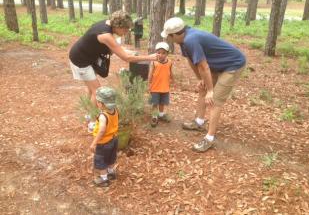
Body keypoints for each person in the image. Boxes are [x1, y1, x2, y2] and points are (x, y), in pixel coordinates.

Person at [161, 17, 246, 152]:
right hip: (217, 64)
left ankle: (209, 139)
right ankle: (199, 122)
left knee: (214, 100)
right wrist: (200, 79)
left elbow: (204, 66)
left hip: (232, 64)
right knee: (203, 89)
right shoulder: (184, 40)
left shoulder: (191, 40)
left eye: (169, 37)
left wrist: (211, 90)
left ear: (175, 34)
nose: (169, 39)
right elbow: (191, 60)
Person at [69, 10, 157, 107]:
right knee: (98, 92)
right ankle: (93, 119)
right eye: (125, 29)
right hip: (80, 61)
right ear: (118, 26)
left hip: (86, 56)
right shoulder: (106, 35)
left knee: (91, 88)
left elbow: (112, 48)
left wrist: (126, 51)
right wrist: (150, 57)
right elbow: (126, 58)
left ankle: (88, 112)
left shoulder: (106, 23)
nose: (126, 32)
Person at [90, 86, 119, 187]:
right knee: (111, 157)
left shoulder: (103, 116)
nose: (97, 104)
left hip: (103, 143)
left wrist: (94, 143)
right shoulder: (115, 110)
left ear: (102, 104)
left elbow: (102, 130)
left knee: (101, 160)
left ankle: (104, 179)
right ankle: (111, 172)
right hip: (114, 139)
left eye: (98, 102)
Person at [148, 42, 174, 127]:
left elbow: (170, 72)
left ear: (167, 54)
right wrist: (148, 83)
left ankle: (161, 114)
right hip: (155, 87)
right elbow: (150, 74)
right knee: (155, 103)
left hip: (165, 87)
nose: (161, 55)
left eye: (163, 53)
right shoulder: (154, 62)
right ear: (156, 53)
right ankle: (154, 116)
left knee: (162, 102)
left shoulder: (169, 62)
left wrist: (172, 79)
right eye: (159, 52)